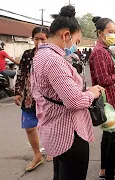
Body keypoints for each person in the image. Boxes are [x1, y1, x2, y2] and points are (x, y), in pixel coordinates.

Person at [30, 5, 104, 180]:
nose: (75, 46)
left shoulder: (40, 55)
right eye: (76, 41)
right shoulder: (54, 60)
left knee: (60, 174)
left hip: (53, 129)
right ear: (65, 35)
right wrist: (92, 93)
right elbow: (74, 102)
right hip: (69, 134)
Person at [90, 16, 115, 180]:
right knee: (113, 139)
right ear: (100, 33)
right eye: (110, 32)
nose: (113, 35)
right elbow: (103, 80)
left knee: (108, 135)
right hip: (108, 101)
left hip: (112, 99)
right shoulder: (98, 52)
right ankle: (109, 174)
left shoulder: (105, 50)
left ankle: (104, 170)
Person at [14, 26, 52, 171]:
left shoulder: (52, 55)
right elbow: (22, 73)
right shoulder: (27, 54)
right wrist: (18, 92)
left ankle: (52, 150)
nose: (39, 42)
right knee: (30, 127)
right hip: (30, 98)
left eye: (43, 39)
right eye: (36, 39)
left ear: (48, 39)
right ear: (32, 39)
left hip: (47, 99)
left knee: (49, 126)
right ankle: (37, 155)